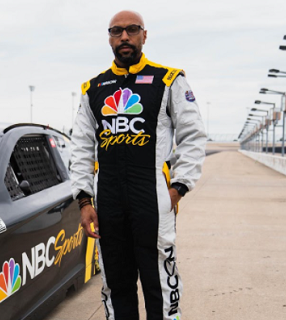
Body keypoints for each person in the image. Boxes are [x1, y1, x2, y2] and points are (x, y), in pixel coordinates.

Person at [70, 11, 206, 320]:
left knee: (160, 281)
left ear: (144, 35)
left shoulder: (168, 79)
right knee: (115, 283)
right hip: (108, 203)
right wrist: (83, 199)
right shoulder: (93, 88)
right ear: (109, 38)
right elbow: (80, 146)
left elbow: (194, 135)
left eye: (132, 30)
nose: (124, 37)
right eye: (116, 31)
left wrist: (178, 188)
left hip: (153, 199)